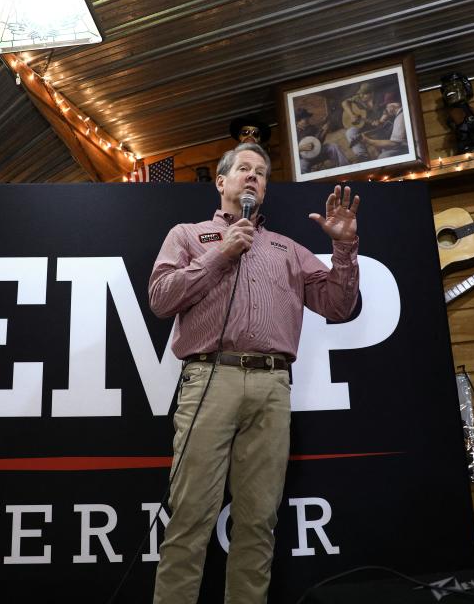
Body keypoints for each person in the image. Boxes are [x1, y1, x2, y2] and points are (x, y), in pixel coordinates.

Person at [148, 143, 361, 603]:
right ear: (221, 182)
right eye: (243, 169)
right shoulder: (188, 234)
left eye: (261, 173)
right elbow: (162, 298)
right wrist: (221, 253)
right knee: (190, 517)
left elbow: (339, 307)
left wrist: (343, 248)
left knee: (259, 521)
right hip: (209, 380)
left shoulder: (287, 248)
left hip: (271, 387)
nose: (253, 177)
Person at [294, 107, 349, 173]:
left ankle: (345, 169)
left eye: (308, 117)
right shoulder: (293, 132)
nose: (308, 119)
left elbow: (319, 143)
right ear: (298, 120)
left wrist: (324, 131)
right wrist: (300, 148)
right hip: (303, 158)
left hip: (318, 154)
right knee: (301, 168)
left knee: (333, 146)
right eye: (305, 118)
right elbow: (290, 151)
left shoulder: (311, 128)